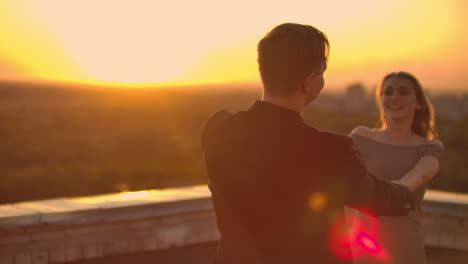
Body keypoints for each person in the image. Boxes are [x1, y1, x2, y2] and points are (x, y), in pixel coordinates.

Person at [202, 23, 425, 264]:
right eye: (322, 73)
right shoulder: (329, 150)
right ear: (309, 83)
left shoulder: (218, 128)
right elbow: (380, 198)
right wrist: (412, 183)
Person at [346, 71, 443, 263]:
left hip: (406, 248)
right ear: (381, 99)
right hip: (363, 247)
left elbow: (418, 176)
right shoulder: (362, 138)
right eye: (388, 92)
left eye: (404, 92)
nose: (394, 97)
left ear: (418, 103)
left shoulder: (429, 148)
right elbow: (343, 185)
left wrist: (390, 193)